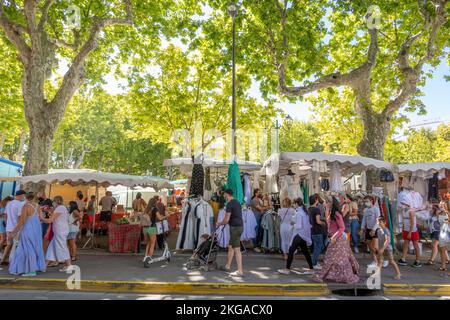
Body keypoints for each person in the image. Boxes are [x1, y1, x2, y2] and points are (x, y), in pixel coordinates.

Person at [313, 196, 359, 284]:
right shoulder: (330, 213)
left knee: (332, 258)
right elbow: (329, 226)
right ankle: (327, 276)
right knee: (334, 259)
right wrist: (326, 211)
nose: (325, 204)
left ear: (331, 203)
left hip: (338, 239)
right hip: (334, 238)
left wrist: (334, 237)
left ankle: (322, 276)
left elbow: (342, 228)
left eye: (327, 202)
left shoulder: (337, 214)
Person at [8, 192, 46, 277]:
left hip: (28, 228)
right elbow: (41, 218)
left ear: (26, 198)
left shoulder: (26, 206)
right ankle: (37, 267)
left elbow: (22, 221)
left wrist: (13, 232)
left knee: (28, 249)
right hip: (37, 229)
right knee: (35, 247)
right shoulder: (37, 206)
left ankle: (31, 270)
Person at [278, 198, 313, 275]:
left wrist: (293, 223)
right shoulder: (303, 211)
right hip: (303, 235)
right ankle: (311, 268)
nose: (293, 205)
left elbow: (299, 226)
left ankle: (287, 269)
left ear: (297, 204)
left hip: (299, 234)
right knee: (305, 252)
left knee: (291, 250)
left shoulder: (299, 213)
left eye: (294, 203)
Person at [217, 189, 244, 278]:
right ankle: (227, 266)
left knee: (237, 249)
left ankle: (240, 271)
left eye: (224, 194)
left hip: (235, 228)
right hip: (239, 227)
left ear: (227, 194)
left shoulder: (229, 204)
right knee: (231, 247)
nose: (223, 195)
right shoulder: (237, 202)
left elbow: (226, 220)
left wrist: (219, 223)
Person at [42, 196, 72, 272]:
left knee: (62, 247)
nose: (52, 203)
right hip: (60, 231)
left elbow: (50, 220)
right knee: (51, 248)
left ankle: (69, 265)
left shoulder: (60, 208)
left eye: (53, 201)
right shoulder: (61, 208)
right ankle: (44, 266)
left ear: (56, 201)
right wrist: (50, 212)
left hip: (60, 231)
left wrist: (41, 218)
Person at [1, 190, 26, 265]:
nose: (24, 197)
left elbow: (6, 215)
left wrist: (7, 223)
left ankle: (3, 259)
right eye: (24, 196)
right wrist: (21, 226)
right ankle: (13, 261)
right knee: (16, 245)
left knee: (9, 244)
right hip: (16, 227)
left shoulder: (9, 203)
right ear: (21, 195)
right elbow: (19, 217)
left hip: (8, 226)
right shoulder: (20, 204)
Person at [142, 197, 168, 264]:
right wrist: (166, 216)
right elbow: (159, 218)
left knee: (148, 242)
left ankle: (145, 257)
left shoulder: (147, 209)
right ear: (154, 202)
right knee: (153, 243)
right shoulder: (155, 209)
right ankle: (149, 258)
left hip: (145, 227)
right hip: (151, 227)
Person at [398, 201, 422, 268]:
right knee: (405, 244)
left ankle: (418, 261)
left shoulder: (411, 211)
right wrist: (403, 229)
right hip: (406, 230)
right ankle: (403, 259)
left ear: (407, 204)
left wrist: (410, 232)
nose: (402, 205)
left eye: (403, 204)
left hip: (412, 231)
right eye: (402, 203)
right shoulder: (404, 211)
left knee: (415, 245)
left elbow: (412, 223)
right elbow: (404, 221)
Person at [360, 195, 380, 267]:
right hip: (368, 229)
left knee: (375, 246)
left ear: (371, 201)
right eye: (365, 201)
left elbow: (378, 220)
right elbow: (364, 220)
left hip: (375, 229)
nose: (365, 203)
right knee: (369, 244)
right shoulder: (366, 210)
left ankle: (379, 261)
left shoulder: (376, 209)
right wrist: (362, 228)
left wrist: (374, 229)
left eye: (367, 201)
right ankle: (376, 260)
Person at [309, 194, 326, 270]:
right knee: (319, 247)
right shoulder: (316, 209)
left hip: (312, 230)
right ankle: (314, 263)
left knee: (317, 247)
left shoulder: (309, 209)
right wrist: (324, 223)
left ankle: (314, 262)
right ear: (316, 200)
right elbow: (318, 221)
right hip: (318, 230)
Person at [250, 189, 271, 253]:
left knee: (260, 231)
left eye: (260, 192)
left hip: (260, 217)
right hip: (255, 217)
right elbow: (260, 208)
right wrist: (268, 207)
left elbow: (262, 207)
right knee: (255, 231)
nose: (260, 193)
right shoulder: (253, 200)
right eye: (259, 192)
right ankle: (255, 246)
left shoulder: (259, 200)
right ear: (255, 193)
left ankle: (258, 244)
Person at [437, 201, 450, 272]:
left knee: (445, 249)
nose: (441, 205)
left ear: (445, 205)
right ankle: (443, 266)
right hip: (442, 232)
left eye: (442, 204)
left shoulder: (447, 213)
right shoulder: (438, 213)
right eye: (440, 204)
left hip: (448, 232)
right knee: (442, 250)